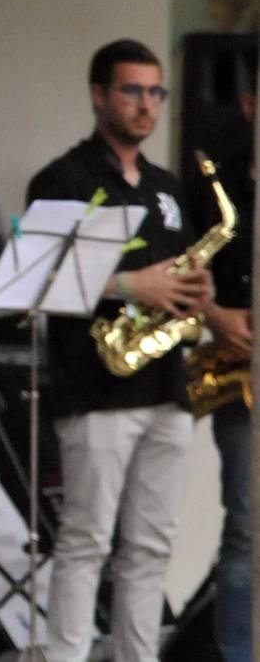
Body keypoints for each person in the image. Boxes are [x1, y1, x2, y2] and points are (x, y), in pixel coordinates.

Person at [28, 38, 207, 662]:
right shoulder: (61, 180)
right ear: (99, 95)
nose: (145, 105)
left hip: (167, 386)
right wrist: (133, 283)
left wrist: (194, 293)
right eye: (132, 91)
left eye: (155, 92)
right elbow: (40, 279)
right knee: (86, 542)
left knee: (152, 546)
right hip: (96, 387)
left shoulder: (167, 186)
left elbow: (176, 278)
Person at [191, 84, 253, 662]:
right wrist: (214, 314)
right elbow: (183, 267)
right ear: (249, 104)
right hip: (240, 375)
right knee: (245, 532)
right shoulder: (218, 185)